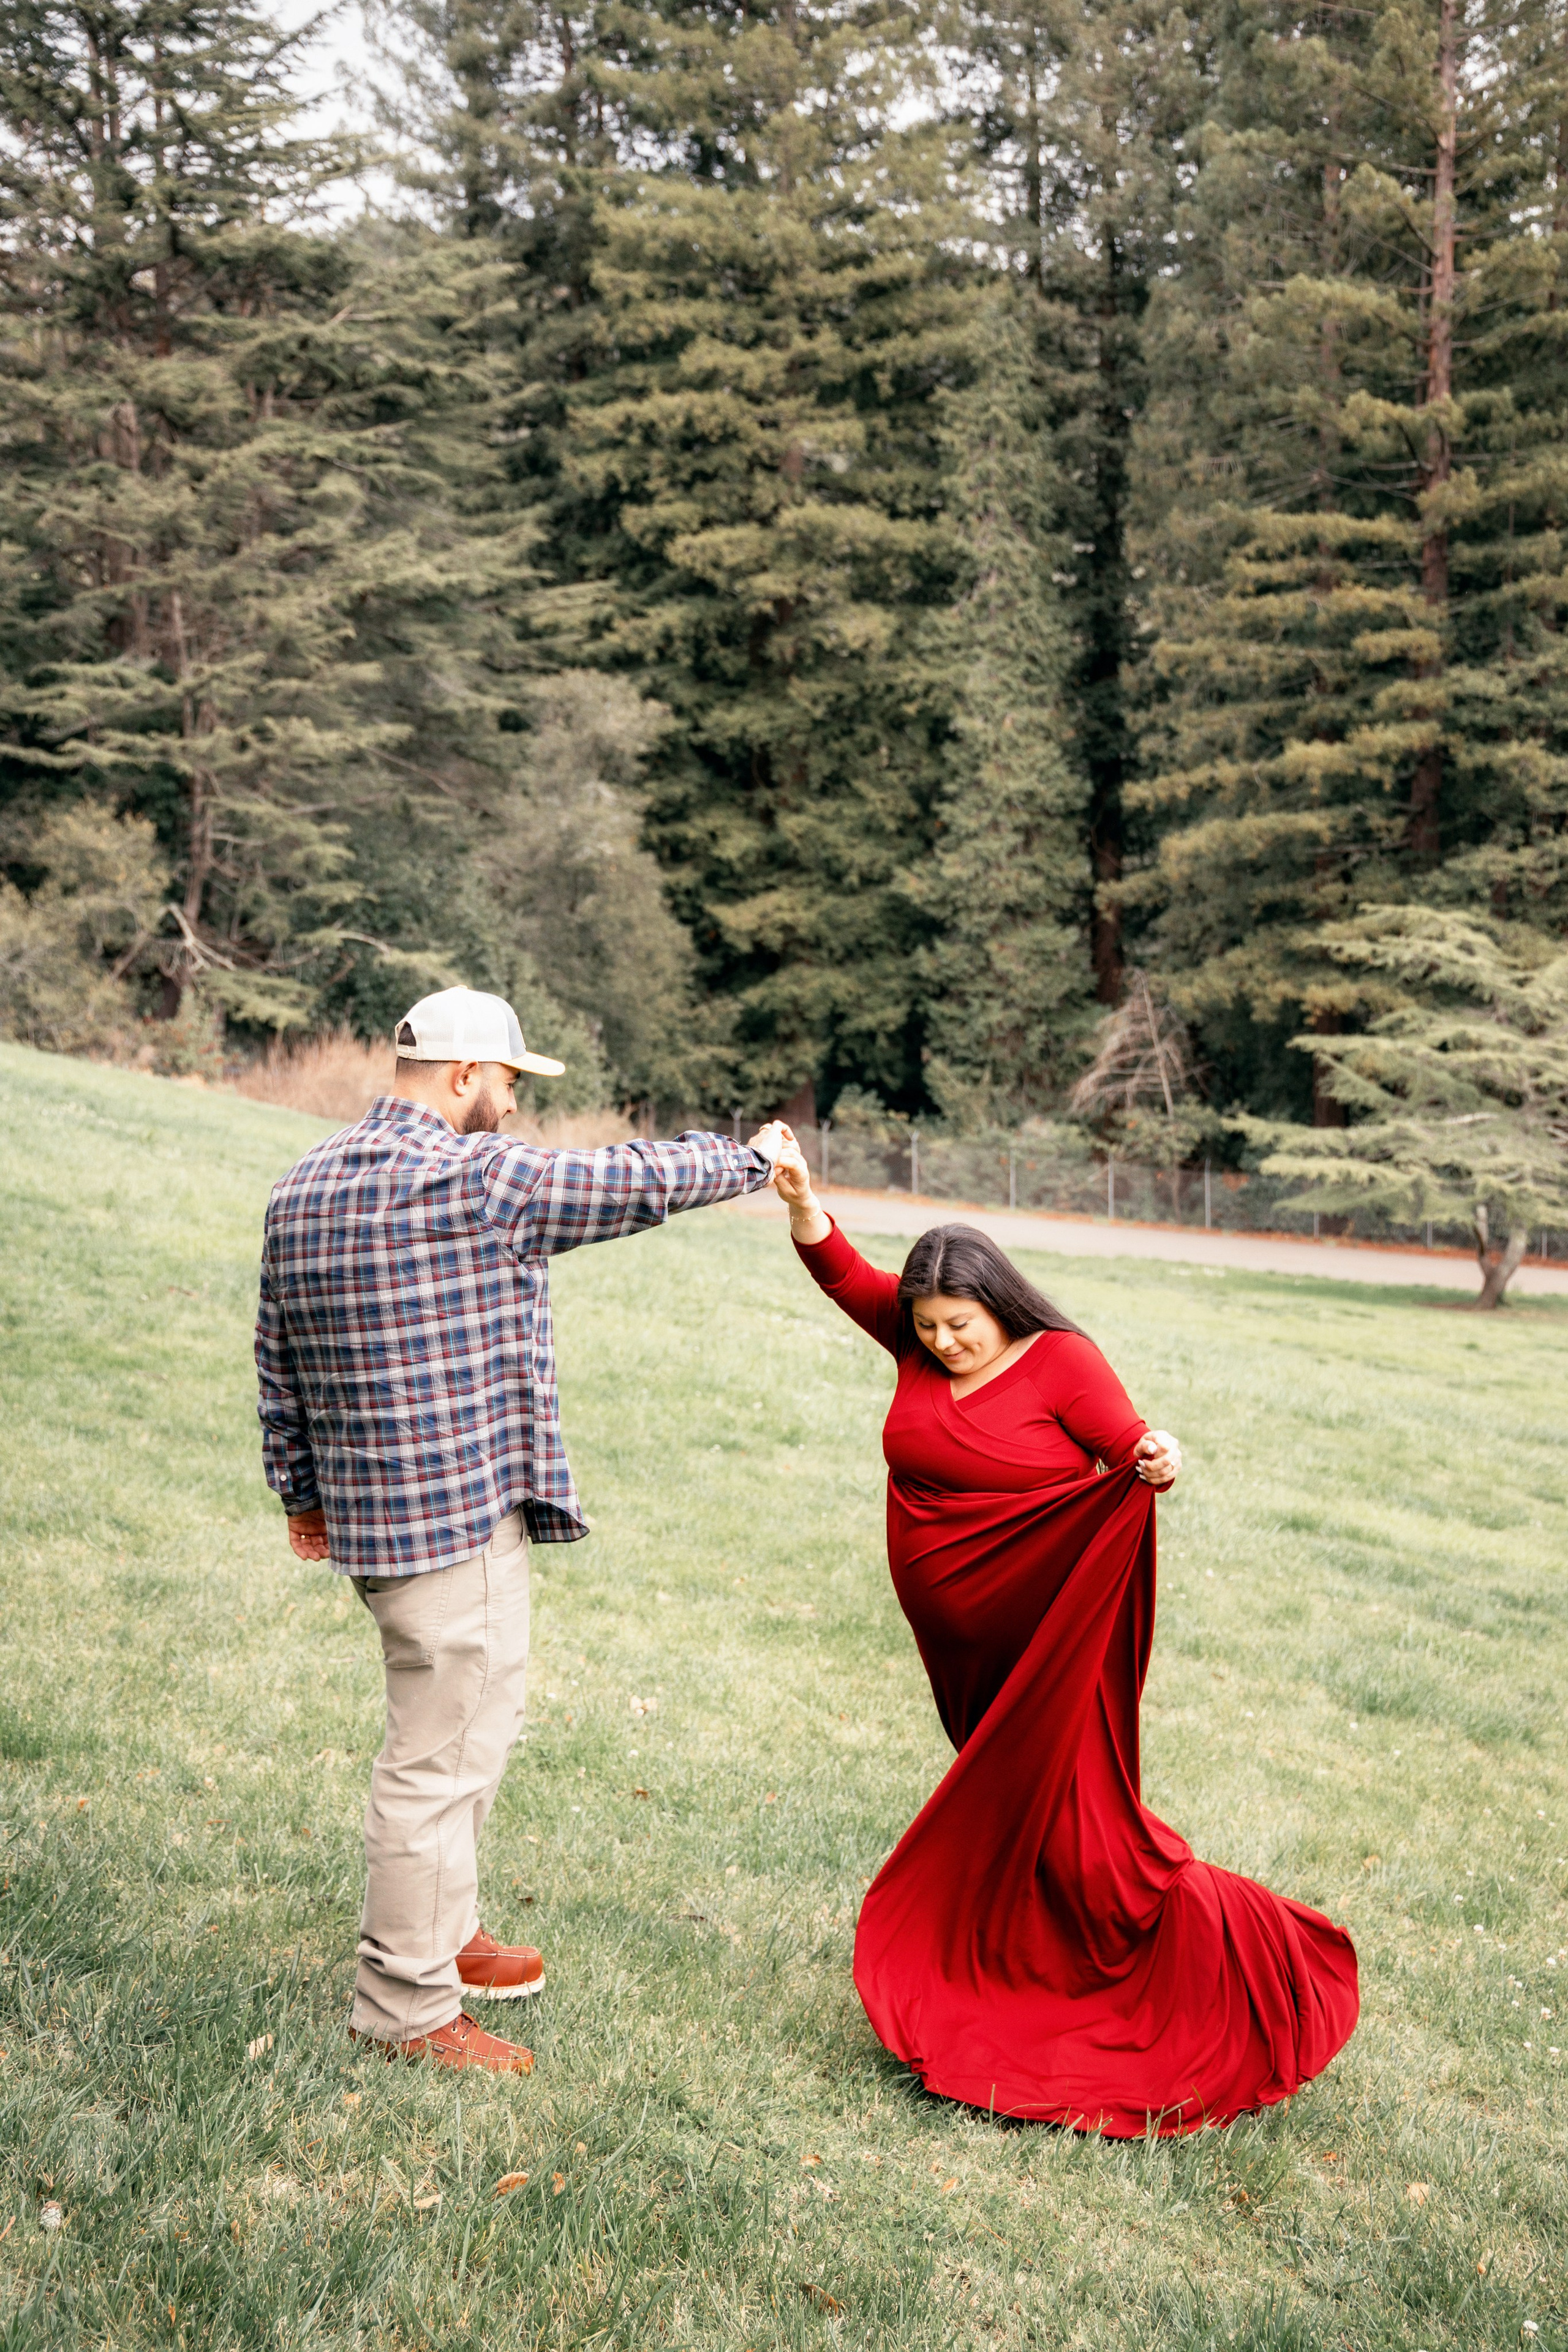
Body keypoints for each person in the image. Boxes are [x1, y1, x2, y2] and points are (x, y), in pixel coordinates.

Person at [769, 1142, 1359, 2133]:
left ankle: (1259, 1961)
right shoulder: (912, 1340)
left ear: (1000, 1302)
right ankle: (1026, 1971)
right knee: (1019, 1818)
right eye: (926, 1327)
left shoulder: (1060, 1363)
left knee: (1091, 1835)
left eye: (959, 1323)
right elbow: (844, 1273)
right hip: (963, 1654)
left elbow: (1135, 1447)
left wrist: (1161, 1459)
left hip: (1049, 1641)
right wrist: (801, 1203)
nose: (944, 1342)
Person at [255, 986, 790, 2076]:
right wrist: (749, 1158)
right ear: (462, 1077)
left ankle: (447, 1938)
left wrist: (300, 1494)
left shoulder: (301, 1183)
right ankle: (406, 2009)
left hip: (376, 1526)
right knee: (437, 1763)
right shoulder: (473, 1176)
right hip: (450, 1528)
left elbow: (277, 1361)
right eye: (507, 1081)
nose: (511, 1101)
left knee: (466, 1738)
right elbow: (625, 1181)